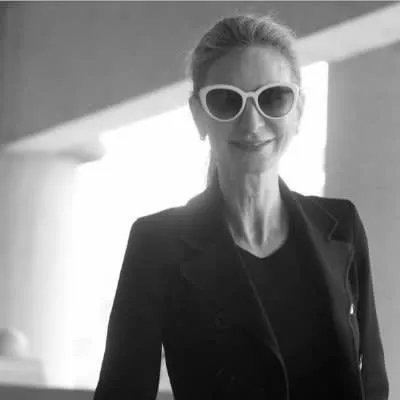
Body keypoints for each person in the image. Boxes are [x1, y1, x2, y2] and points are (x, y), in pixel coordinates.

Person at [94, 14, 389, 400]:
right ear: (198, 114)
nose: (252, 123)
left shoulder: (341, 224)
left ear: (299, 109)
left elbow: (373, 380)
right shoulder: (157, 244)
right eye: (225, 101)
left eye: (274, 98)